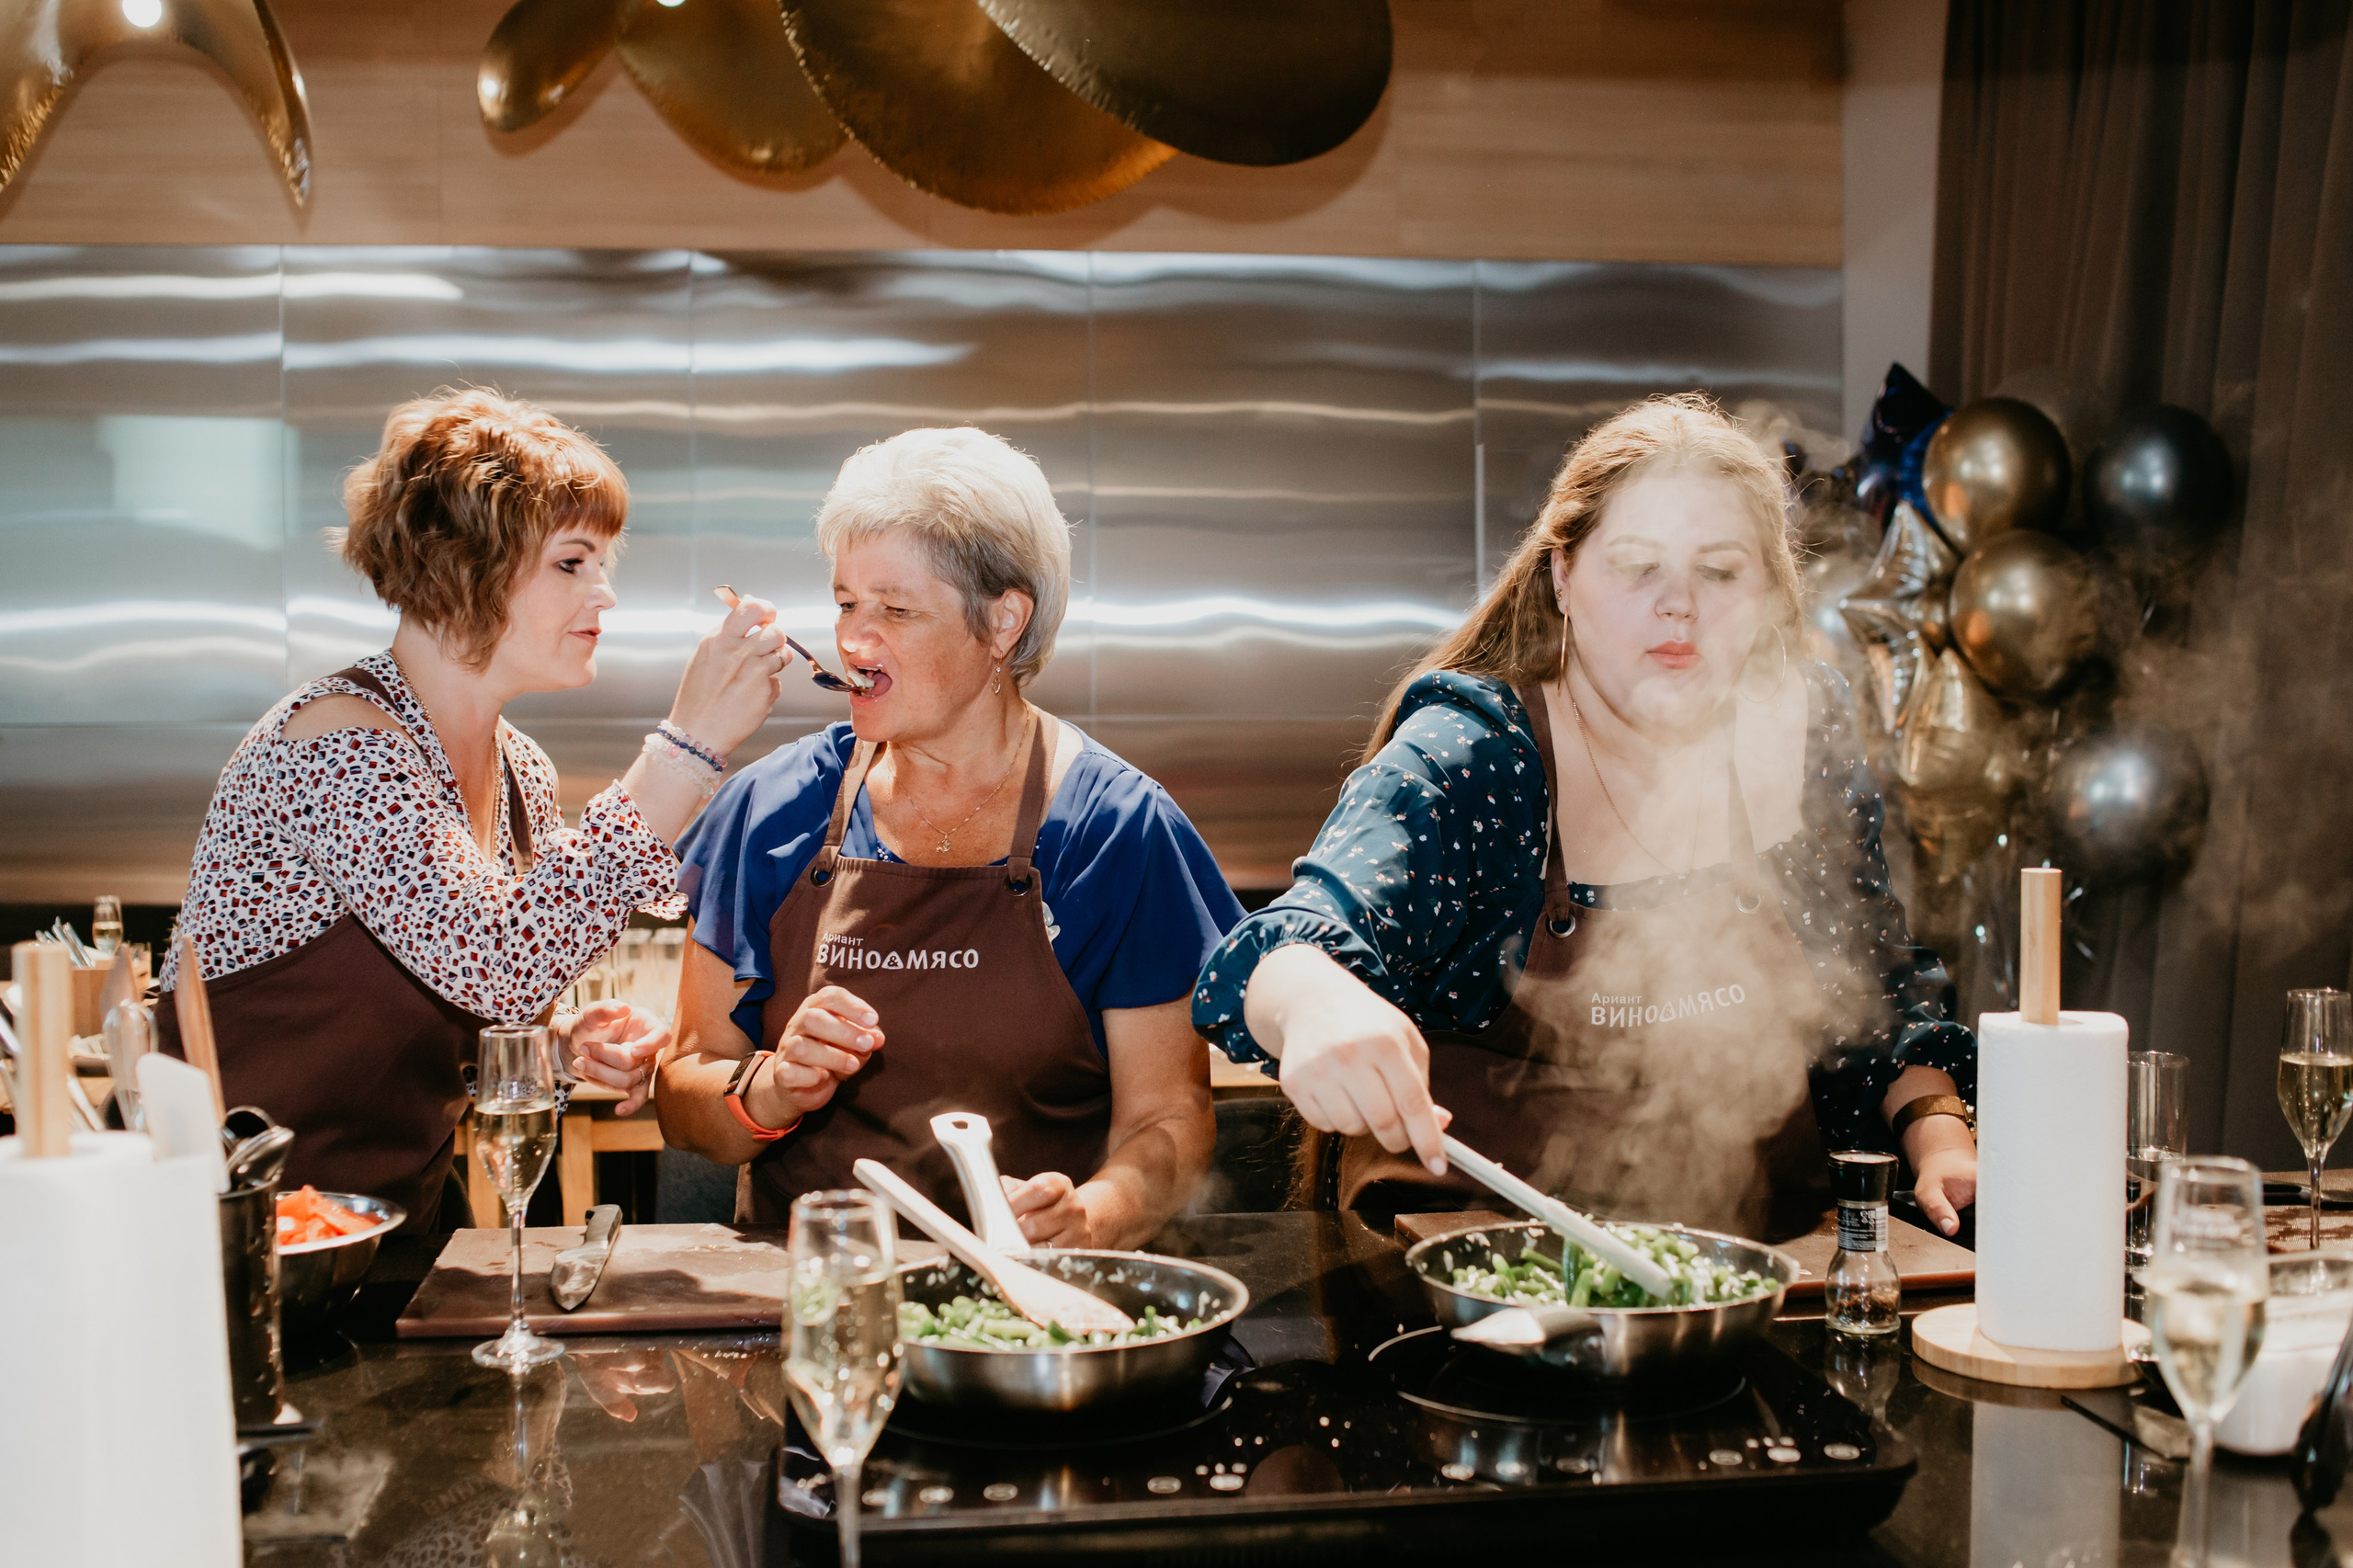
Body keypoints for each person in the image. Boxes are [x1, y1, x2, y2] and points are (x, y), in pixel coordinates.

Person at [1193, 394, 1980, 1241]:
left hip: (1759, 1269)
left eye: (1719, 572)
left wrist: (1942, 1139)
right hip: (1479, 1278)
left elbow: (1877, 990)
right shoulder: (1474, 751)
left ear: (1768, 592)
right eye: (1638, 566)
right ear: (1564, 576)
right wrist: (1315, 1004)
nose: (1679, 606)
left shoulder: (1798, 732)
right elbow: (1281, 946)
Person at [161, 389, 790, 1232]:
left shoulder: (519, 766)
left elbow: (485, 990)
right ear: (462, 565)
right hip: (232, 1232)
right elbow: (493, 959)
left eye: (605, 563)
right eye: (572, 563)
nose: (603, 595)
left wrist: (559, 1044)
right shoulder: (340, 743)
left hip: (388, 1221)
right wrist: (686, 748)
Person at [656, 427, 1242, 1246]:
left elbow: (1171, 1120)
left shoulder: (1116, 829)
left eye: (895, 610)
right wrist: (768, 1088)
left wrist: (1092, 1215)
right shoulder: (772, 807)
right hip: (815, 1308)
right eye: (846, 602)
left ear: (1003, 622)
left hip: (1026, 1325)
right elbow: (682, 1094)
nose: (855, 640)